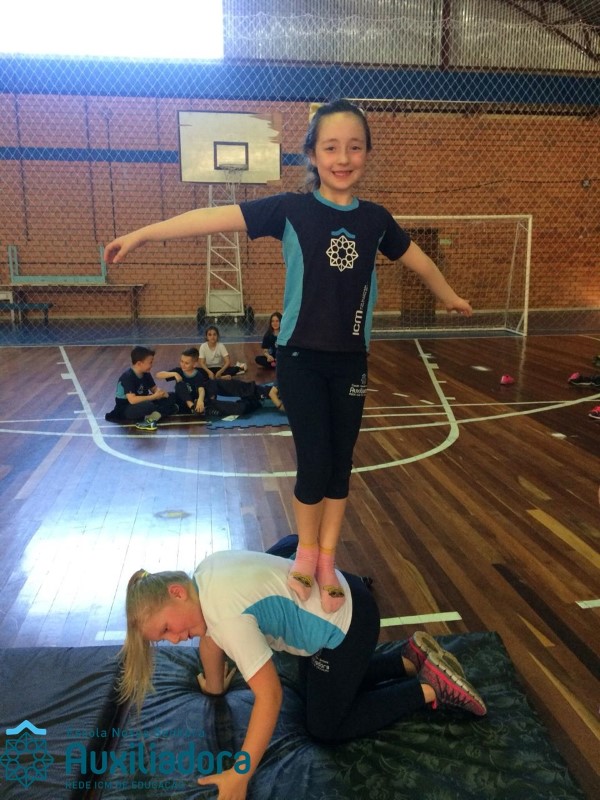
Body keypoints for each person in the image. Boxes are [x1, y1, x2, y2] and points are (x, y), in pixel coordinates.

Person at [103, 99, 472, 611]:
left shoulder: (376, 220)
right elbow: (212, 218)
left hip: (351, 360)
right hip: (300, 359)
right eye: (331, 147)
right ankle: (305, 553)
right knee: (314, 460)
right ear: (313, 155)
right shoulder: (291, 210)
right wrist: (144, 234)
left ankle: (327, 559)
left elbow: (419, 260)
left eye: (354, 147)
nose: (343, 157)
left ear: (366, 154)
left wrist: (448, 295)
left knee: (340, 463)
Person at [119, 539, 486, 800]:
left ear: (177, 592)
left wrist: (241, 773)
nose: (174, 640)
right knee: (318, 692)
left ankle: (429, 686)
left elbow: (269, 696)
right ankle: (407, 659)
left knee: (325, 726)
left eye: (167, 629)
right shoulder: (203, 573)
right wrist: (214, 687)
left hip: (348, 626)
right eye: (163, 640)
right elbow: (209, 642)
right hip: (343, 593)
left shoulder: (225, 617)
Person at [104, 345, 178, 431]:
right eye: (150, 362)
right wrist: (154, 397)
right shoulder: (128, 377)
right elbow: (132, 400)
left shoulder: (146, 373)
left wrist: (161, 393)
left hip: (143, 401)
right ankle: (163, 411)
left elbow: (154, 389)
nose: (152, 365)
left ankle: (151, 419)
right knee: (149, 406)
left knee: (172, 396)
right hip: (126, 408)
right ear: (139, 363)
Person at [155, 347, 208, 414]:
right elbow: (158, 375)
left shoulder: (198, 374)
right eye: (181, 361)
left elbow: (201, 389)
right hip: (181, 400)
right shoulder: (178, 371)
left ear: (194, 364)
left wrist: (200, 400)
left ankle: (191, 407)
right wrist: (174, 374)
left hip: (193, 399)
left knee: (180, 384)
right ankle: (190, 407)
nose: (183, 365)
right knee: (173, 391)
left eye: (186, 363)